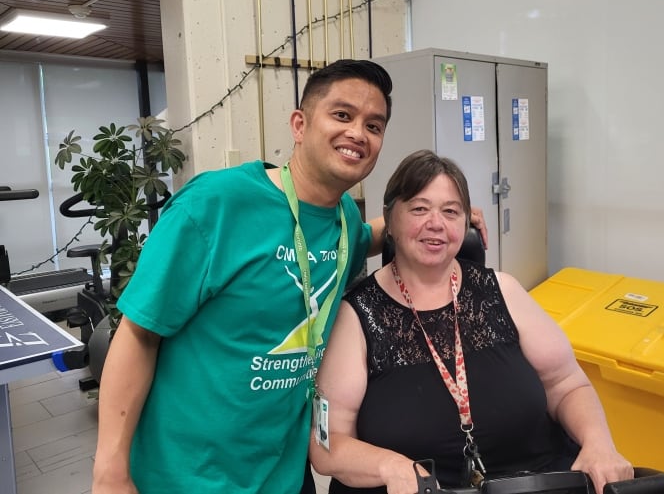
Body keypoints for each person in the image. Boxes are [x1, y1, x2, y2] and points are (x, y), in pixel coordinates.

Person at [92, 60, 486, 494]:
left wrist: (444, 217)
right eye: (342, 115)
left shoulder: (342, 224)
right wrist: (110, 470)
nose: (358, 132)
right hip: (187, 476)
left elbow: (370, 234)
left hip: (284, 475)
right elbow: (138, 334)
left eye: (374, 125)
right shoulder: (216, 205)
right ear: (299, 124)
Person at [308, 150, 632, 494]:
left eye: (451, 211)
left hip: (535, 483)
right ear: (390, 218)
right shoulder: (358, 315)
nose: (436, 223)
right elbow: (327, 444)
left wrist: (598, 443)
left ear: (465, 223)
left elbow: (567, 384)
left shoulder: (502, 290)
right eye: (419, 208)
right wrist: (389, 466)